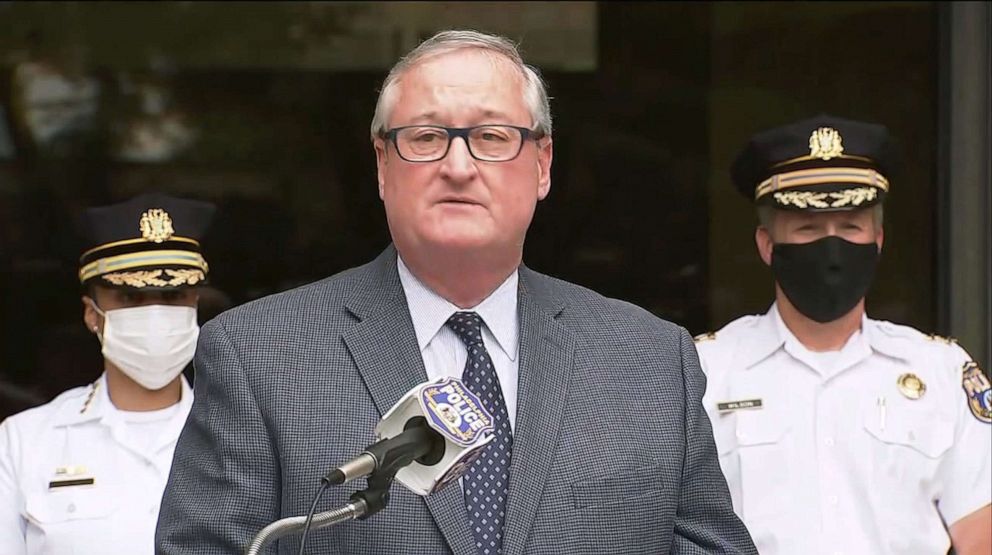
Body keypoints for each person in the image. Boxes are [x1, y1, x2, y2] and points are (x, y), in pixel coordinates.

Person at [155, 30, 756, 555]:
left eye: (493, 137)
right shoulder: (260, 352)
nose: (460, 165)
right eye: (425, 138)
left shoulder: (649, 359)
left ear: (542, 165)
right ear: (383, 165)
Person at [696, 114, 992, 554]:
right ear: (767, 244)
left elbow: (980, 535)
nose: (831, 247)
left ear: (878, 239)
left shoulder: (942, 373)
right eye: (808, 228)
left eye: (850, 226)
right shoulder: (705, 371)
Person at [0, 192, 215, 554]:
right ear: (91, 314)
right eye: (130, 298)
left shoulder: (242, 433)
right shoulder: (25, 441)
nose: (156, 314)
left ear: (195, 304)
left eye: (174, 295)